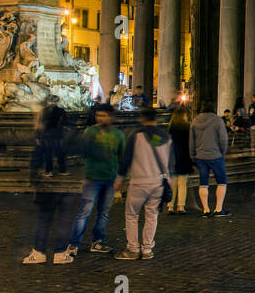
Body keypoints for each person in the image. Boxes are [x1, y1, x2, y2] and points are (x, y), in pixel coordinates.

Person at [114, 107, 172, 260]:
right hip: (158, 182)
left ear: (142, 118)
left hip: (139, 181)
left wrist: (120, 178)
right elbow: (170, 161)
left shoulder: (136, 136)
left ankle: (133, 248)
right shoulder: (166, 137)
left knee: (132, 215)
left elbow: (125, 159)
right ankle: (147, 249)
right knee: (152, 215)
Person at [68, 102, 125, 255]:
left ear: (111, 117)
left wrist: (120, 177)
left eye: (103, 115)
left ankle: (97, 241)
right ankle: (74, 243)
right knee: (85, 211)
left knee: (104, 212)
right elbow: (83, 151)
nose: (99, 118)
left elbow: (121, 156)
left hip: (110, 178)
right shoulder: (90, 132)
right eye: (98, 115)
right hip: (92, 177)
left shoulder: (118, 135)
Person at [23, 170, 80, 265]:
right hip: (69, 184)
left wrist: (35, 180)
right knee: (64, 220)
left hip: (47, 185)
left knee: (44, 220)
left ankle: (39, 252)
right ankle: (60, 253)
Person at [190, 102, 230, 217]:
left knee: (203, 182)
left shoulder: (195, 121)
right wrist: (222, 152)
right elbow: (223, 139)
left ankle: (206, 209)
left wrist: (193, 155)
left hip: (200, 156)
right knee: (221, 181)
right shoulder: (218, 120)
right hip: (216, 155)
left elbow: (191, 141)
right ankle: (218, 209)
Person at [167, 103, 194, 213]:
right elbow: (190, 145)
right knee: (182, 183)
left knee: (173, 183)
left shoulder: (170, 129)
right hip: (183, 158)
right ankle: (180, 206)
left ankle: (170, 206)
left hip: (172, 158)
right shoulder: (187, 129)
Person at [36, 95, 68, 176]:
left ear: (49, 101)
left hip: (47, 134)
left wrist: (38, 136)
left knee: (48, 153)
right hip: (58, 134)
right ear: (58, 101)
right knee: (60, 152)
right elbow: (65, 122)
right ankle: (62, 170)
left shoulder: (44, 111)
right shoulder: (61, 111)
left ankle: (49, 171)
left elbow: (40, 124)